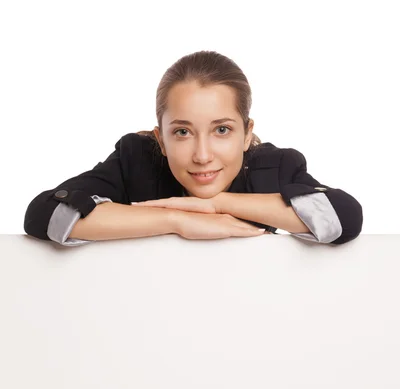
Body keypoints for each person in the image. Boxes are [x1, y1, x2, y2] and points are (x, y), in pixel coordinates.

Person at [23, 50, 363, 246]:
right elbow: (46, 214)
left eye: (222, 130)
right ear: (161, 140)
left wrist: (216, 205)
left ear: (247, 134)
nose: (202, 155)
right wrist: (176, 220)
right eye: (183, 132)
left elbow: (343, 217)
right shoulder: (135, 160)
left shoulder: (275, 167)